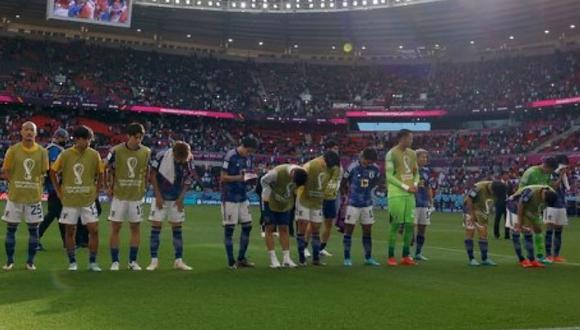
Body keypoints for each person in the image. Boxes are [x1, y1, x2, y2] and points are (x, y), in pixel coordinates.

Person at [50, 125, 103, 272]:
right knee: (70, 230)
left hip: (88, 200)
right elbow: (53, 172)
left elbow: (101, 173)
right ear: (78, 139)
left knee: (94, 230)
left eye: (90, 140)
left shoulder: (94, 154)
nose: (89, 142)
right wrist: (58, 192)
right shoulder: (66, 154)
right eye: (87, 139)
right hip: (70, 200)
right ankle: (72, 262)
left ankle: (92, 262)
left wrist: (97, 191)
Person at [1, 122, 49, 271]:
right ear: (21, 132)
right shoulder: (13, 150)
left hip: (34, 198)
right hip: (15, 197)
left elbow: (43, 172)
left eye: (32, 130)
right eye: (26, 129)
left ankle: (30, 262)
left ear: (35, 134)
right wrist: (15, 183)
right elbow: (6, 170)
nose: (29, 132)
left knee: (33, 230)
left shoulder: (42, 151)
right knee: (11, 229)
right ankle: (10, 261)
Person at [105, 123, 151, 271]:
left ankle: (132, 261)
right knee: (116, 228)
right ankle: (115, 261)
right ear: (128, 136)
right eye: (136, 137)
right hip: (119, 196)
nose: (138, 140)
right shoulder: (116, 151)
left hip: (136, 196)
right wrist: (108, 186)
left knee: (135, 228)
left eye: (141, 137)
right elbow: (106, 168)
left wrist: (145, 185)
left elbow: (148, 169)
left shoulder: (146, 152)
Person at [146, 141, 194, 271]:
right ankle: (154, 261)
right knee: (156, 227)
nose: (181, 162)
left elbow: (189, 179)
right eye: (179, 159)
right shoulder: (161, 156)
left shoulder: (188, 158)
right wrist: (158, 196)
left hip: (176, 198)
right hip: (160, 196)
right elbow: (153, 174)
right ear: (173, 153)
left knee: (177, 229)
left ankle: (178, 260)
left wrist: (181, 198)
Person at [295, 151, 340, 266]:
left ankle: (316, 259)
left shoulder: (332, 168)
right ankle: (301, 259)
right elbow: (299, 179)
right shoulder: (310, 165)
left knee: (316, 228)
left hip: (317, 201)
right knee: (302, 227)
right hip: (304, 200)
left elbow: (330, 183)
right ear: (324, 159)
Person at [220, 136, 258, 269]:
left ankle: (241, 259)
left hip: (242, 196)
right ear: (244, 147)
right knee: (229, 230)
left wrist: (250, 177)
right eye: (249, 151)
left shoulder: (247, 158)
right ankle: (231, 262)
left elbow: (245, 175)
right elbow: (223, 177)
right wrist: (240, 178)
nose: (250, 154)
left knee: (247, 226)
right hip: (229, 197)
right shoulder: (230, 156)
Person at [260, 164, 308, 268]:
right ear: (292, 174)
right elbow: (263, 180)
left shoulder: (302, 174)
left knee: (284, 228)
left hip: (285, 203)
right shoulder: (276, 173)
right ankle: (273, 259)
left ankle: (286, 259)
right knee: (270, 228)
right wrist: (270, 192)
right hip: (269, 201)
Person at [342, 148, 381, 267]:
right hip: (353, 204)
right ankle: (347, 257)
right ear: (362, 157)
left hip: (367, 204)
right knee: (349, 230)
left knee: (368, 231)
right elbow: (343, 182)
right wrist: (346, 197)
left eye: (370, 161)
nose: (367, 163)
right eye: (366, 161)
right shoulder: (352, 167)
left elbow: (376, 181)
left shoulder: (375, 169)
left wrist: (368, 191)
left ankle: (368, 257)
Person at [386, 129, 418, 266]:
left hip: (410, 194)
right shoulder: (391, 154)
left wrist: (415, 184)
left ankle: (406, 255)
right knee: (396, 225)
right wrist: (406, 187)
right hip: (396, 194)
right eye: (410, 138)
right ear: (403, 138)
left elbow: (416, 172)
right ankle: (391, 256)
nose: (412, 141)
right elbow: (389, 176)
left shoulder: (412, 153)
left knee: (410, 225)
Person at [517, 157, 558, 264]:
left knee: (538, 230)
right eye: (550, 170)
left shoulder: (548, 174)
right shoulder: (530, 172)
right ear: (546, 166)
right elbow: (520, 190)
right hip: (525, 204)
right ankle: (527, 257)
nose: (550, 173)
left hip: (536, 206)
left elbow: (548, 188)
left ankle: (540, 255)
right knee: (525, 230)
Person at [506, 185, 558, 268]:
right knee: (519, 231)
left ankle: (533, 259)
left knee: (535, 230)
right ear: (543, 195)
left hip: (529, 209)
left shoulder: (550, 192)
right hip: (515, 206)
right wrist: (519, 223)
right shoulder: (530, 192)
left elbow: (541, 206)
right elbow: (520, 205)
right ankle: (522, 260)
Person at [38, 128, 69, 250]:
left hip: (53, 187)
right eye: (64, 138)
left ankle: (66, 242)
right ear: (58, 137)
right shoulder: (54, 149)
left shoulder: (51, 148)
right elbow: (54, 168)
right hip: (54, 187)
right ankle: (36, 238)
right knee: (54, 214)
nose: (65, 141)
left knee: (59, 215)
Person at [463, 181, 507, 266]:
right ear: (491, 188)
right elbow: (469, 199)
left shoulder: (499, 189)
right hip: (469, 208)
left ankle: (485, 258)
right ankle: (471, 259)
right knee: (470, 232)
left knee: (483, 233)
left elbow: (491, 202)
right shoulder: (478, 188)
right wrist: (472, 214)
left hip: (482, 210)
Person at [544, 155, 570, 263]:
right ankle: (548, 255)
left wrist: (563, 176)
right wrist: (561, 175)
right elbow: (553, 186)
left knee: (559, 231)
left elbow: (567, 188)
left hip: (561, 205)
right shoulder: (551, 174)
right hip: (551, 205)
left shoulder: (564, 176)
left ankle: (556, 255)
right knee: (549, 230)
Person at [414, 149, 434, 261]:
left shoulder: (426, 171)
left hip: (424, 203)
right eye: (422, 157)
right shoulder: (410, 171)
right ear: (416, 158)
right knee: (410, 229)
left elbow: (428, 187)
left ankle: (418, 252)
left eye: (426, 157)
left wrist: (431, 201)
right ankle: (406, 254)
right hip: (413, 203)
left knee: (422, 228)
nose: (425, 159)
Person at [493, 171, 513, 240]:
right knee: (497, 219)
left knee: (507, 220)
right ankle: (496, 234)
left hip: (507, 204)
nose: (507, 176)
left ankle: (507, 235)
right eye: (505, 175)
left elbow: (511, 193)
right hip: (499, 203)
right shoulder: (497, 184)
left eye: (507, 175)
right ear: (502, 176)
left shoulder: (509, 184)